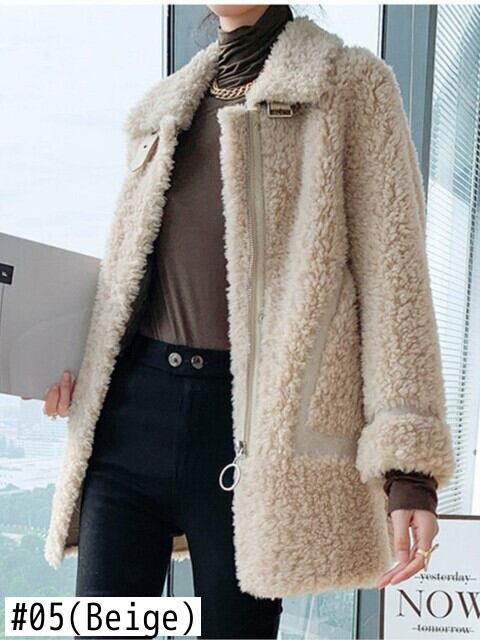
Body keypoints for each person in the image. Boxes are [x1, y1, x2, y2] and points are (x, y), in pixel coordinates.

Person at [33, 4, 455, 639]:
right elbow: (130, 282)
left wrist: (410, 472)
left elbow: (395, 283)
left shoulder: (348, 86)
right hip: (130, 425)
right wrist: (67, 367)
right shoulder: (163, 107)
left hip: (252, 443)